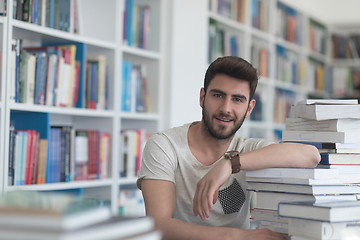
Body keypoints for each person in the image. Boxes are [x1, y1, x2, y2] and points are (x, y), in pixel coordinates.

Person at [137, 56, 320, 240]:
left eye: (238, 100)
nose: (226, 108)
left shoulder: (248, 149)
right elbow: (159, 225)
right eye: (218, 95)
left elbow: (311, 156)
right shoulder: (165, 145)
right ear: (202, 97)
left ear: (249, 108)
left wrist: (230, 164)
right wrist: (236, 236)